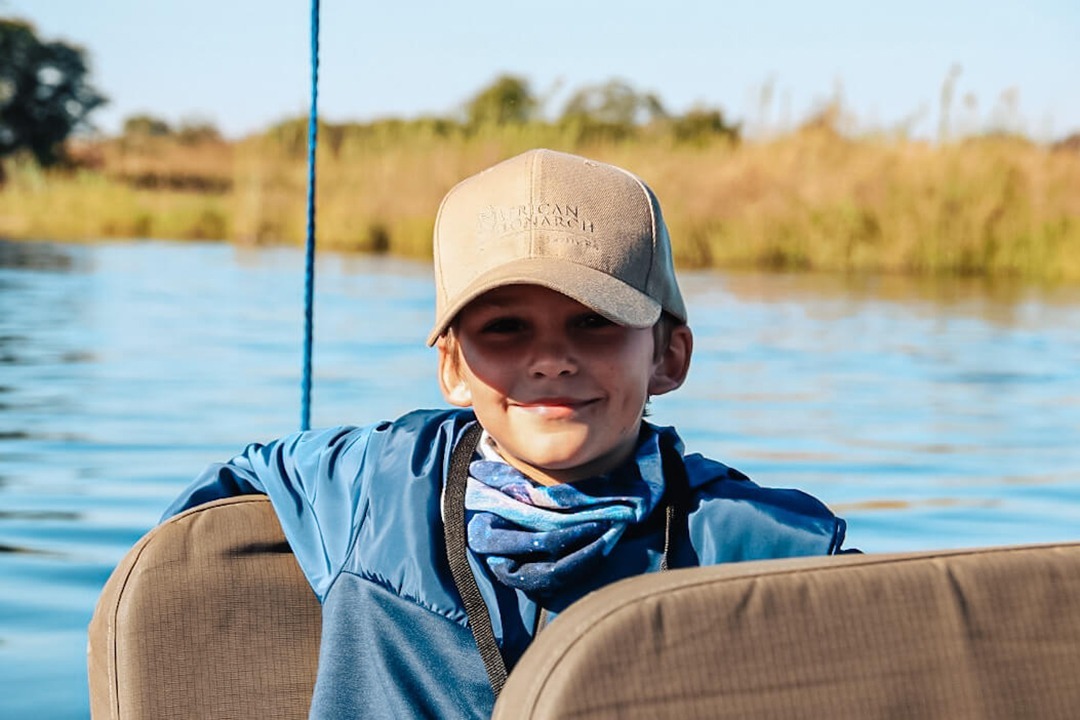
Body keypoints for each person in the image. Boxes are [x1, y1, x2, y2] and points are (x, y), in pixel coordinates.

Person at [163, 148, 850, 719]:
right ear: (453, 368)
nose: (550, 358)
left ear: (669, 356)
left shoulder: (759, 542)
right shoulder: (372, 484)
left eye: (594, 321)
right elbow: (235, 484)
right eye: (504, 328)